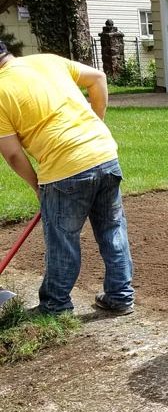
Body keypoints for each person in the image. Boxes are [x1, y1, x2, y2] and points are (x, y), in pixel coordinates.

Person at [0, 41, 134, 315]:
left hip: (64, 169)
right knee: (112, 229)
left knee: (62, 239)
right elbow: (98, 78)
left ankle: (55, 305)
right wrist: (96, 123)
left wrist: (37, 185)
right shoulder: (47, 60)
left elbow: (13, 154)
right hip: (104, 153)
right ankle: (120, 297)